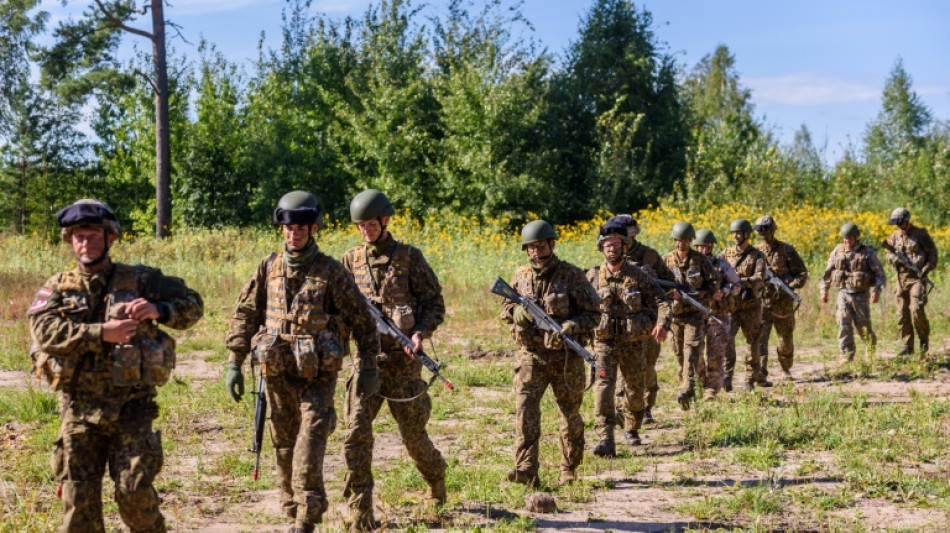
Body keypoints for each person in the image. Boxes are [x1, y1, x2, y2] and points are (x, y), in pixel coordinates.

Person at [29, 199, 203, 533]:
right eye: (78, 236)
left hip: (132, 407)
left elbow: (193, 304)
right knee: (78, 505)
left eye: (93, 235)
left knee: (134, 494)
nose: (85, 243)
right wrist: (101, 333)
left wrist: (159, 309)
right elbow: (45, 331)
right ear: (69, 240)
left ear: (110, 238)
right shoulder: (57, 287)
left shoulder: (141, 279)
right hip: (78, 411)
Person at [225, 191, 380, 533]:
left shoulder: (332, 272)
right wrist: (235, 362)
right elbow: (245, 314)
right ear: (281, 229)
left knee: (310, 442)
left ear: (313, 229)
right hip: (277, 372)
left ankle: (306, 518)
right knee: (283, 443)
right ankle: (291, 504)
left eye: (301, 228)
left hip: (318, 376)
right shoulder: (268, 267)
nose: (294, 234)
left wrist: (368, 366)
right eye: (288, 228)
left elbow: (362, 321)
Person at [340, 189, 447, 529]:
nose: (366, 231)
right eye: (361, 226)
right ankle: (359, 510)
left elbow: (434, 304)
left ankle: (435, 481)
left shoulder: (409, 258)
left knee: (413, 435)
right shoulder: (349, 261)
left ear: (385, 221)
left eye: (371, 224)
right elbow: (337, 307)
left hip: (403, 365)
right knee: (355, 434)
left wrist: (419, 333)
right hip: (366, 363)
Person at [500, 220, 599, 486]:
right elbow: (505, 307)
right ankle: (526, 468)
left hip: (566, 357)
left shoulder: (572, 275)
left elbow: (594, 314)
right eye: (531, 248)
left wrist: (570, 325)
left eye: (540, 246)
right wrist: (515, 312)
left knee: (570, 415)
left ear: (551, 244)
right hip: (531, 356)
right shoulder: (520, 276)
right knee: (525, 411)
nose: (536, 252)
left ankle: (569, 468)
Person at [587, 220, 670, 457]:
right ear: (602, 248)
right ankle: (606, 439)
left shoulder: (639, 275)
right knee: (603, 388)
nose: (612, 248)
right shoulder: (592, 276)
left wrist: (662, 324)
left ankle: (632, 426)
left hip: (633, 344)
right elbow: (580, 306)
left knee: (635, 391)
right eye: (607, 245)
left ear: (625, 247)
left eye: (616, 244)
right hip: (604, 344)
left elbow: (662, 301)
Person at [612, 214, 675, 424]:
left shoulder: (649, 255)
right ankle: (622, 409)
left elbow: (669, 284)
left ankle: (647, 406)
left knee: (646, 367)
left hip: (648, 322)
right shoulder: (611, 257)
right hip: (622, 324)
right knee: (624, 369)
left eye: (627, 236)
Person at [662, 221, 718, 410]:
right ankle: (686, 386)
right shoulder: (666, 260)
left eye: (685, 240)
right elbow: (657, 286)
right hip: (675, 317)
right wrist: (671, 293)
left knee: (692, 353)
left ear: (691, 241)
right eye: (678, 240)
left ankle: (688, 390)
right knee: (679, 354)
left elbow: (713, 283)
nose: (681, 244)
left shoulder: (700, 260)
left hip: (694, 315)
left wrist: (703, 294)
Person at [819, 223, 886, 363]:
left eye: (849, 238)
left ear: (856, 237)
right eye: (845, 238)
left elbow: (880, 274)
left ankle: (870, 348)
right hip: (843, 293)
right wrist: (824, 291)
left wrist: (877, 291)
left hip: (861, 294)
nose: (847, 241)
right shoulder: (837, 251)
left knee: (863, 326)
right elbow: (827, 273)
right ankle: (846, 355)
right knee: (843, 324)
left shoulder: (867, 253)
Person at [753, 215, 808, 382]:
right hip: (761, 302)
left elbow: (802, 273)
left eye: (766, 231)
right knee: (760, 339)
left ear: (773, 231)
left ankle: (785, 370)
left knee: (785, 338)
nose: (763, 234)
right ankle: (761, 372)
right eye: (760, 232)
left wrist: (790, 284)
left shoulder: (786, 250)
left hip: (783, 303)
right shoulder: (755, 252)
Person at [885, 207, 938, 358]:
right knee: (902, 313)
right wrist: (894, 258)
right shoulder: (895, 236)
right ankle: (907, 346)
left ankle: (923, 341)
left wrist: (926, 268)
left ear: (907, 220)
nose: (899, 226)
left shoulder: (921, 234)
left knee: (916, 309)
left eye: (900, 222)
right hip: (900, 279)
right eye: (896, 223)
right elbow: (888, 254)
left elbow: (933, 254)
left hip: (917, 279)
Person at [694, 229, 741, 399]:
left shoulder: (722, 264)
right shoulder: (692, 265)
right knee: (696, 353)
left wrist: (724, 291)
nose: (705, 248)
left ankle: (711, 389)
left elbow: (736, 285)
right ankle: (700, 384)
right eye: (701, 245)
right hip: (696, 315)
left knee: (716, 354)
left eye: (708, 245)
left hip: (718, 314)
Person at [721, 219, 767, 391]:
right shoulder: (725, 254)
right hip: (731, 306)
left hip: (751, 306)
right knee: (726, 340)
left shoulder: (757, 256)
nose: (736, 236)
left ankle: (750, 378)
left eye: (739, 233)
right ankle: (726, 377)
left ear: (747, 234)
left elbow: (759, 278)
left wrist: (739, 281)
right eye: (734, 233)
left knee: (753, 342)